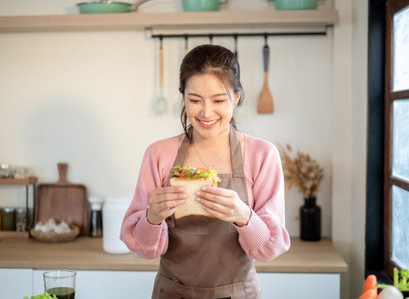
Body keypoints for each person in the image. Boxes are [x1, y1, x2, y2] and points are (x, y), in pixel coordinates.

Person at [121, 44, 290, 299]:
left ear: (236, 98)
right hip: (172, 293)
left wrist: (243, 215)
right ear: (183, 98)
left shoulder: (262, 155)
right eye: (195, 100)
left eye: (219, 100)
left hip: (238, 293)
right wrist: (152, 216)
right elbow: (143, 248)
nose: (206, 112)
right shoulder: (158, 154)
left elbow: (268, 250)